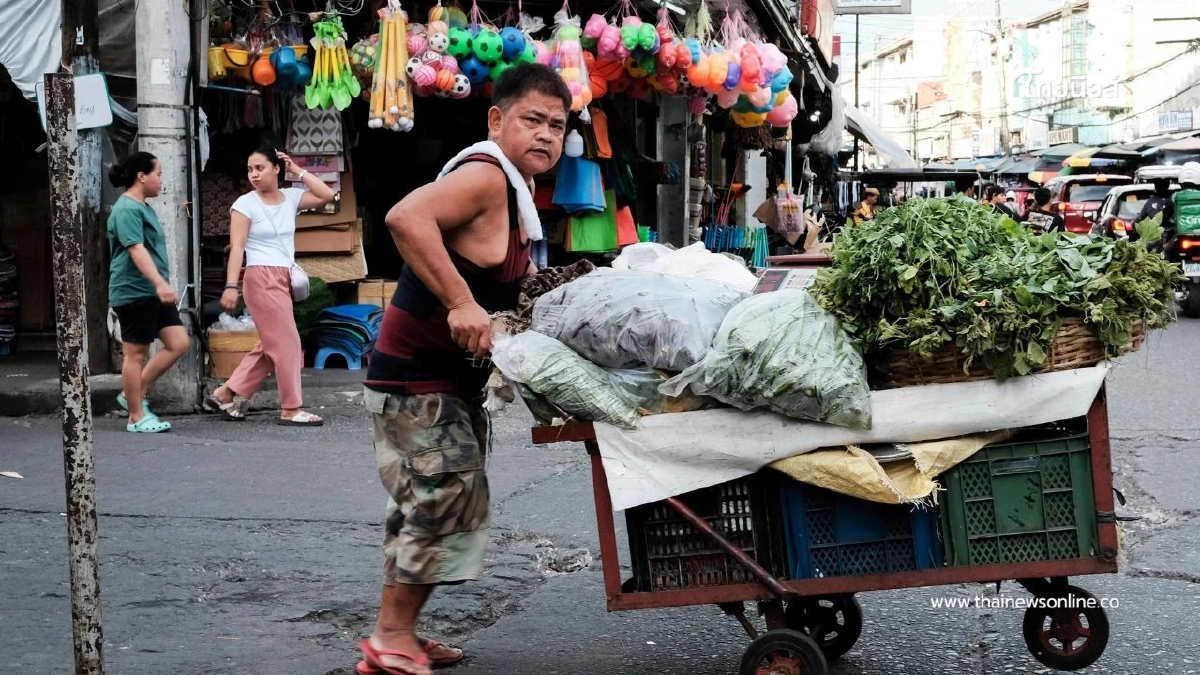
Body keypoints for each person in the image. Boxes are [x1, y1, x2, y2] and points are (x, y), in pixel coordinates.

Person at [358, 63, 570, 675]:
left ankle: (397, 632)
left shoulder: (516, 190)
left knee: (430, 503)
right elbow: (404, 217)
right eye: (532, 120)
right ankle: (391, 639)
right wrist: (459, 302)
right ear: (496, 121)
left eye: (557, 126)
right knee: (442, 499)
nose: (546, 134)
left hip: (443, 382)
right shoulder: (485, 176)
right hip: (415, 380)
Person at [203, 146, 335, 424]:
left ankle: (226, 393)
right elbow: (237, 247)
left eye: (259, 168)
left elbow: (326, 195)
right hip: (260, 276)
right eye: (250, 169)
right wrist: (230, 286)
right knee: (288, 342)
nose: (253, 174)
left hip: (283, 276)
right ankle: (291, 409)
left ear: (276, 169)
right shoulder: (245, 204)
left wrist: (297, 170)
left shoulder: (291, 197)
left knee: (273, 343)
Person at [106, 152, 189, 433]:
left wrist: (159, 286)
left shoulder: (142, 206)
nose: (161, 180)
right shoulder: (127, 209)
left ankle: (132, 393)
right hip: (134, 291)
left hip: (152, 291)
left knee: (179, 343)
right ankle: (136, 415)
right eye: (158, 173)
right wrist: (160, 284)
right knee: (135, 354)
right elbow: (136, 250)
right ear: (142, 176)